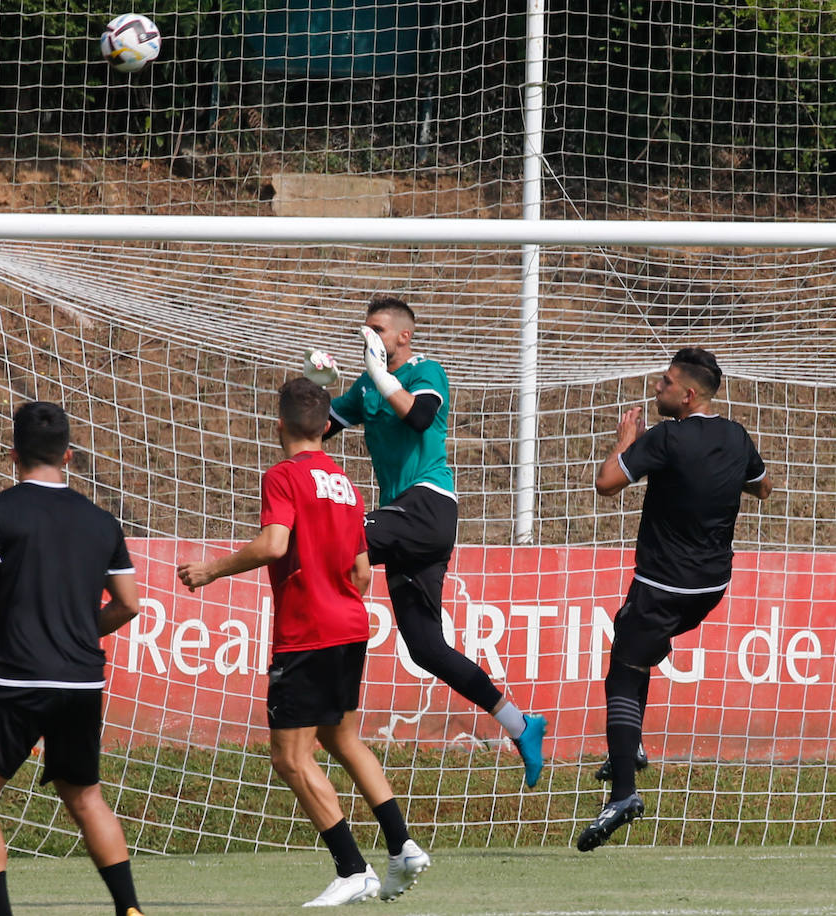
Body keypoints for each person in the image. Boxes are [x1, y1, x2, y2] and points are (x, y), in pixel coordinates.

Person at [178, 377, 430, 906]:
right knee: (342, 739)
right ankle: (402, 843)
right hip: (350, 626)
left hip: (308, 631)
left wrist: (212, 570)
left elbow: (274, 543)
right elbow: (363, 572)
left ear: (279, 428)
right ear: (325, 428)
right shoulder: (345, 482)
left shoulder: (284, 476)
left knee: (289, 757)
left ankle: (352, 867)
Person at [322, 296, 548, 787]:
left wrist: (381, 377)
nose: (369, 337)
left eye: (377, 329)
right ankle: (521, 725)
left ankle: (330, 702)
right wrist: (313, 389)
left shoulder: (427, 371)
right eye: (365, 329)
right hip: (406, 523)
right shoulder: (364, 386)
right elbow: (317, 429)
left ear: (404, 336)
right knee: (426, 648)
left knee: (338, 539)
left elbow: (420, 418)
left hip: (428, 505)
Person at [0, 401, 145, 916]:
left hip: (18, 681)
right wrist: (83, 628)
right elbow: (128, 603)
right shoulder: (102, 521)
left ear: (12, 454)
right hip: (81, 684)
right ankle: (130, 909)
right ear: (69, 456)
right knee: (85, 798)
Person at [577, 347, 772, 852]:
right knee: (637, 642)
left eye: (664, 383)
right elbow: (764, 487)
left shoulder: (664, 438)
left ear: (687, 395)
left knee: (623, 667)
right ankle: (632, 742)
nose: (656, 388)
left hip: (664, 586)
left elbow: (605, 484)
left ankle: (623, 792)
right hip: (710, 588)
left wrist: (626, 443)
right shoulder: (735, 434)